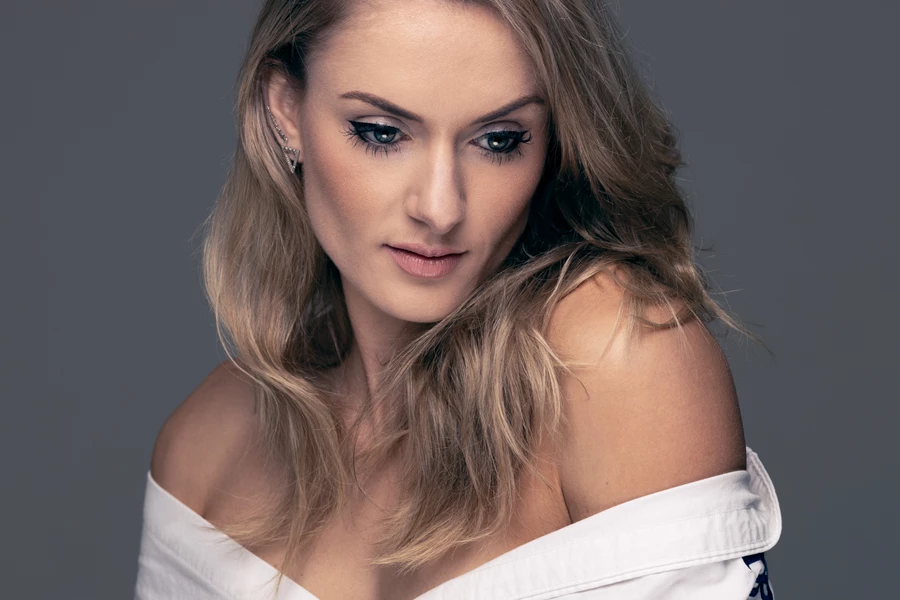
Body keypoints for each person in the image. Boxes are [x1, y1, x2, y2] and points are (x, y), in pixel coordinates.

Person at [134, 0, 782, 598]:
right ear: (284, 112)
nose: (441, 208)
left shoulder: (615, 356)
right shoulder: (205, 447)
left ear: (551, 142)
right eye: (382, 132)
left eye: (499, 140)